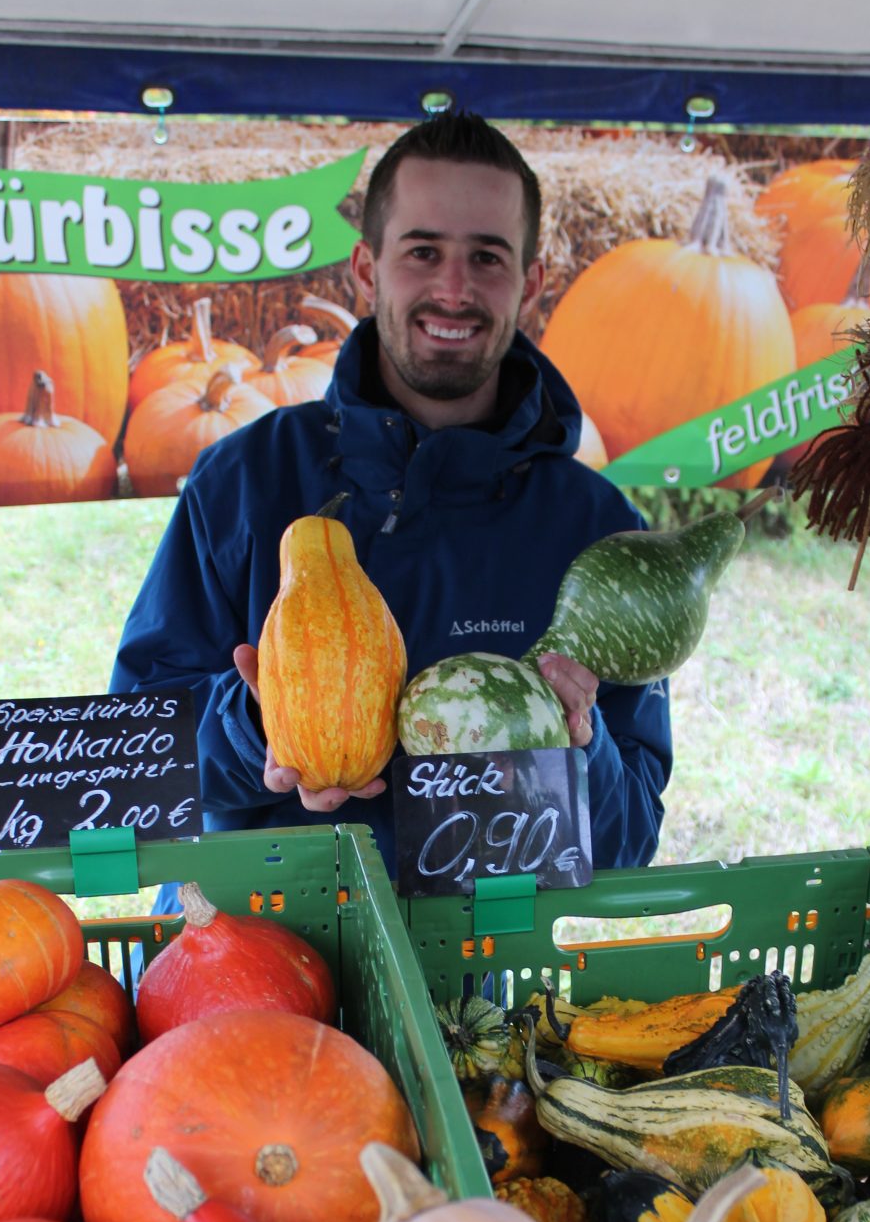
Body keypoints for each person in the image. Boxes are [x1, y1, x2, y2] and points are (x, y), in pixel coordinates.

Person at [111, 110, 671, 876]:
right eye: (423, 251)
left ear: (530, 283)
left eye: (487, 257)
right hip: (260, 944)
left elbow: (631, 836)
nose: (453, 288)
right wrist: (256, 726)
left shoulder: (597, 532)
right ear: (367, 271)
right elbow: (137, 765)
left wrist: (583, 750)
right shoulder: (244, 481)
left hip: (474, 971)